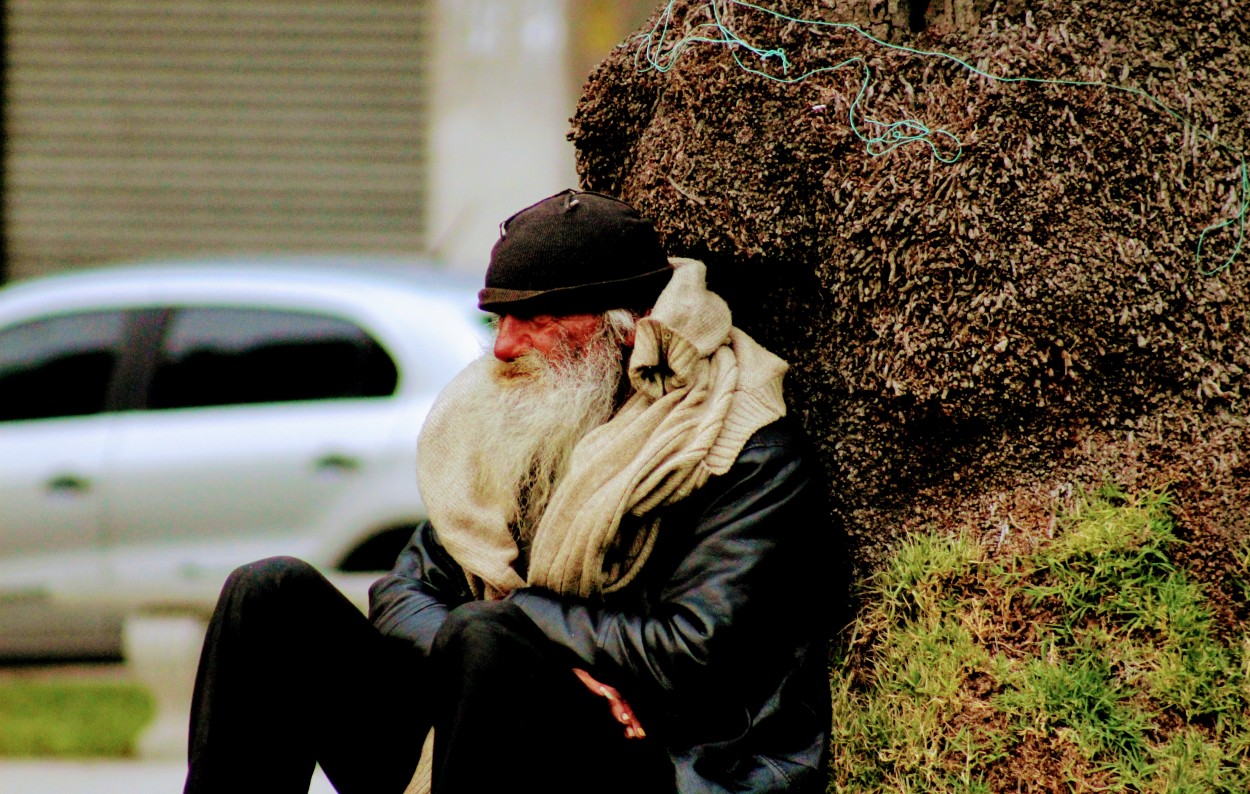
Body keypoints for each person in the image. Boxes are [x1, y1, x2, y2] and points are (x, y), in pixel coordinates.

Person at [183, 189, 834, 794]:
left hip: (665, 755)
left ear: (622, 328)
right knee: (266, 596)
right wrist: (518, 648)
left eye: (536, 319)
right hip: (468, 726)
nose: (503, 348)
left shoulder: (739, 447)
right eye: (499, 318)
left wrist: (524, 633)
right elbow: (404, 592)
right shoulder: (530, 420)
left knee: (488, 637)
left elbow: (695, 653)